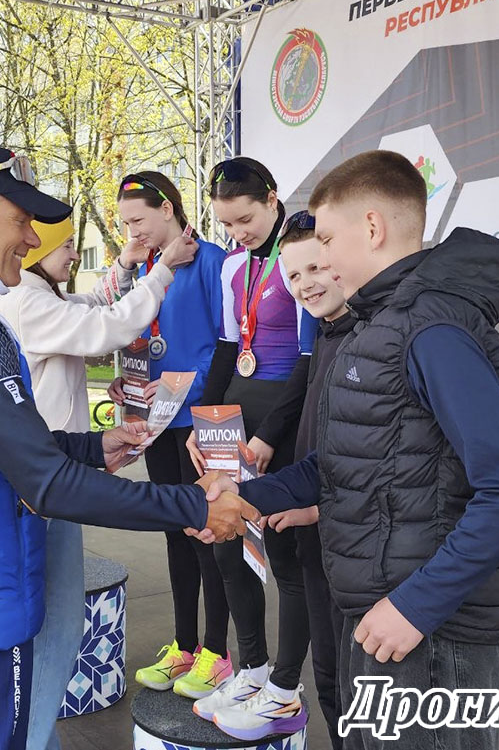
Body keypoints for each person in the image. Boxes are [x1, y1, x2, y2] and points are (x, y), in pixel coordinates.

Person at [0, 139, 256, 750]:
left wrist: (93, 448)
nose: (30, 238)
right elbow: (44, 482)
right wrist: (195, 505)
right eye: (20, 220)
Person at [196, 150, 499, 750]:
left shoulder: (433, 330)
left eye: (327, 239)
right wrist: (248, 496)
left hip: (424, 631)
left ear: (372, 227)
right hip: (375, 610)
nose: (321, 258)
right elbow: (344, 461)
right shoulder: (374, 324)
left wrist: (417, 606)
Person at [185, 158, 318, 738]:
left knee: (285, 554)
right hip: (232, 418)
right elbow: (225, 347)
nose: (237, 233)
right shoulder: (232, 267)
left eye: (245, 219)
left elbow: (310, 359)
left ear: (272, 199)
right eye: (227, 224)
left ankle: (285, 690)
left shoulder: (301, 257)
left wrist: (270, 436)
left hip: (283, 418)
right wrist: (201, 420)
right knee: (226, 544)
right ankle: (254, 670)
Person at [106, 171, 234, 699]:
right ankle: (184, 645)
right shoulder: (148, 270)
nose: (133, 232)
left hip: (203, 423)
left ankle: (217, 653)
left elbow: (228, 346)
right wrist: (129, 382)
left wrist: (184, 385)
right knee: (174, 535)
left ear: (167, 208)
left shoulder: (213, 263)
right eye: (125, 224)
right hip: (156, 422)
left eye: (138, 220)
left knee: (210, 537)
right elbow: (138, 338)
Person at [266, 212, 351, 749]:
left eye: (315, 268)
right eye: (293, 276)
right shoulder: (325, 332)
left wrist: (321, 508)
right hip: (318, 534)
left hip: (354, 547)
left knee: (357, 689)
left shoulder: (374, 338)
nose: (305, 285)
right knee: (329, 682)